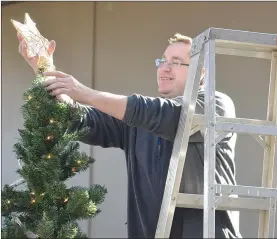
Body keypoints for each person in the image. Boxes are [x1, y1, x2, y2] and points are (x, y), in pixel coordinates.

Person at [17, 32, 241, 238]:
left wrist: (84, 92)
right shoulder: (139, 120)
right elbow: (81, 119)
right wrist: (44, 68)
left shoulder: (215, 103)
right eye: (163, 61)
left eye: (176, 62)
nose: (164, 68)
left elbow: (168, 115)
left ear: (200, 72)